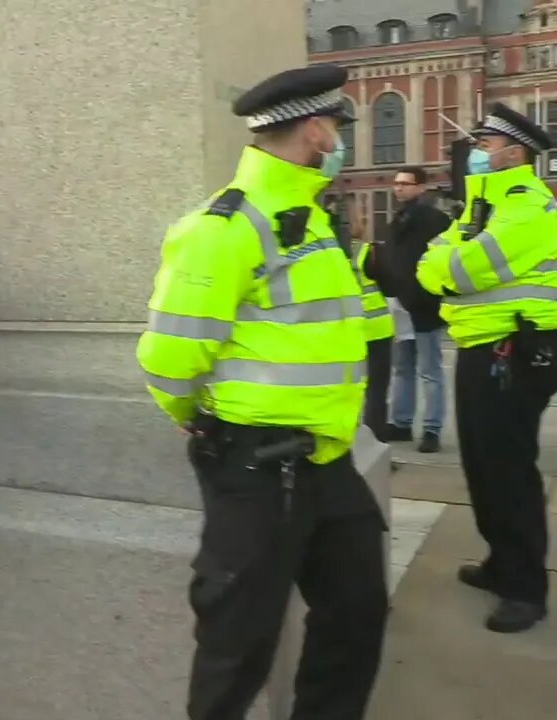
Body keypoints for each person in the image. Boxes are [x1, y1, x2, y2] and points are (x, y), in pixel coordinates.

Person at [136, 65, 387, 719]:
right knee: (237, 644)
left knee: (356, 617)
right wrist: (199, 419)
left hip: (329, 462)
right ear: (314, 131)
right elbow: (169, 357)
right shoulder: (223, 229)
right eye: (335, 126)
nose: (338, 139)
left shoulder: (311, 220)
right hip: (258, 465)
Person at [416, 103, 557, 633]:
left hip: (514, 352)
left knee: (509, 470)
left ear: (513, 152)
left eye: (486, 145)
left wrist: (444, 265)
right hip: (483, 347)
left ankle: (526, 590)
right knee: (482, 465)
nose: (477, 152)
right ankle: (502, 563)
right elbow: (439, 258)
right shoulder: (482, 208)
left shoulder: (527, 205)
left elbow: (453, 267)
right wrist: (444, 262)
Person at [375, 167, 451, 453]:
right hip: (400, 306)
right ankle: (401, 422)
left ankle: (432, 428)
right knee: (403, 368)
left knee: (430, 370)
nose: (398, 188)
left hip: (424, 305)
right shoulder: (397, 220)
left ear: (421, 187)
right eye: (396, 183)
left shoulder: (434, 220)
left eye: (405, 184)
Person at [353, 234, 395, 441]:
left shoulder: (326, 253)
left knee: (349, 390)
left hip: (348, 329)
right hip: (377, 328)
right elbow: (391, 286)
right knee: (377, 391)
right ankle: (375, 442)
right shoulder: (369, 251)